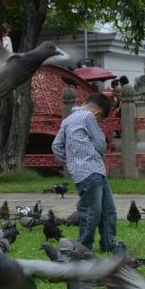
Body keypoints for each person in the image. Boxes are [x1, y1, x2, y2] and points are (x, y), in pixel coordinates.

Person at [51, 93, 124, 253]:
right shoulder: (88, 117)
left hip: (87, 171)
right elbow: (101, 142)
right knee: (94, 210)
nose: (98, 123)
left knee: (105, 208)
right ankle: (84, 245)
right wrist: (93, 153)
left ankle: (108, 243)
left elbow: (56, 146)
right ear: (97, 114)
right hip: (91, 169)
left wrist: (72, 161)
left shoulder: (67, 120)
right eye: (100, 121)